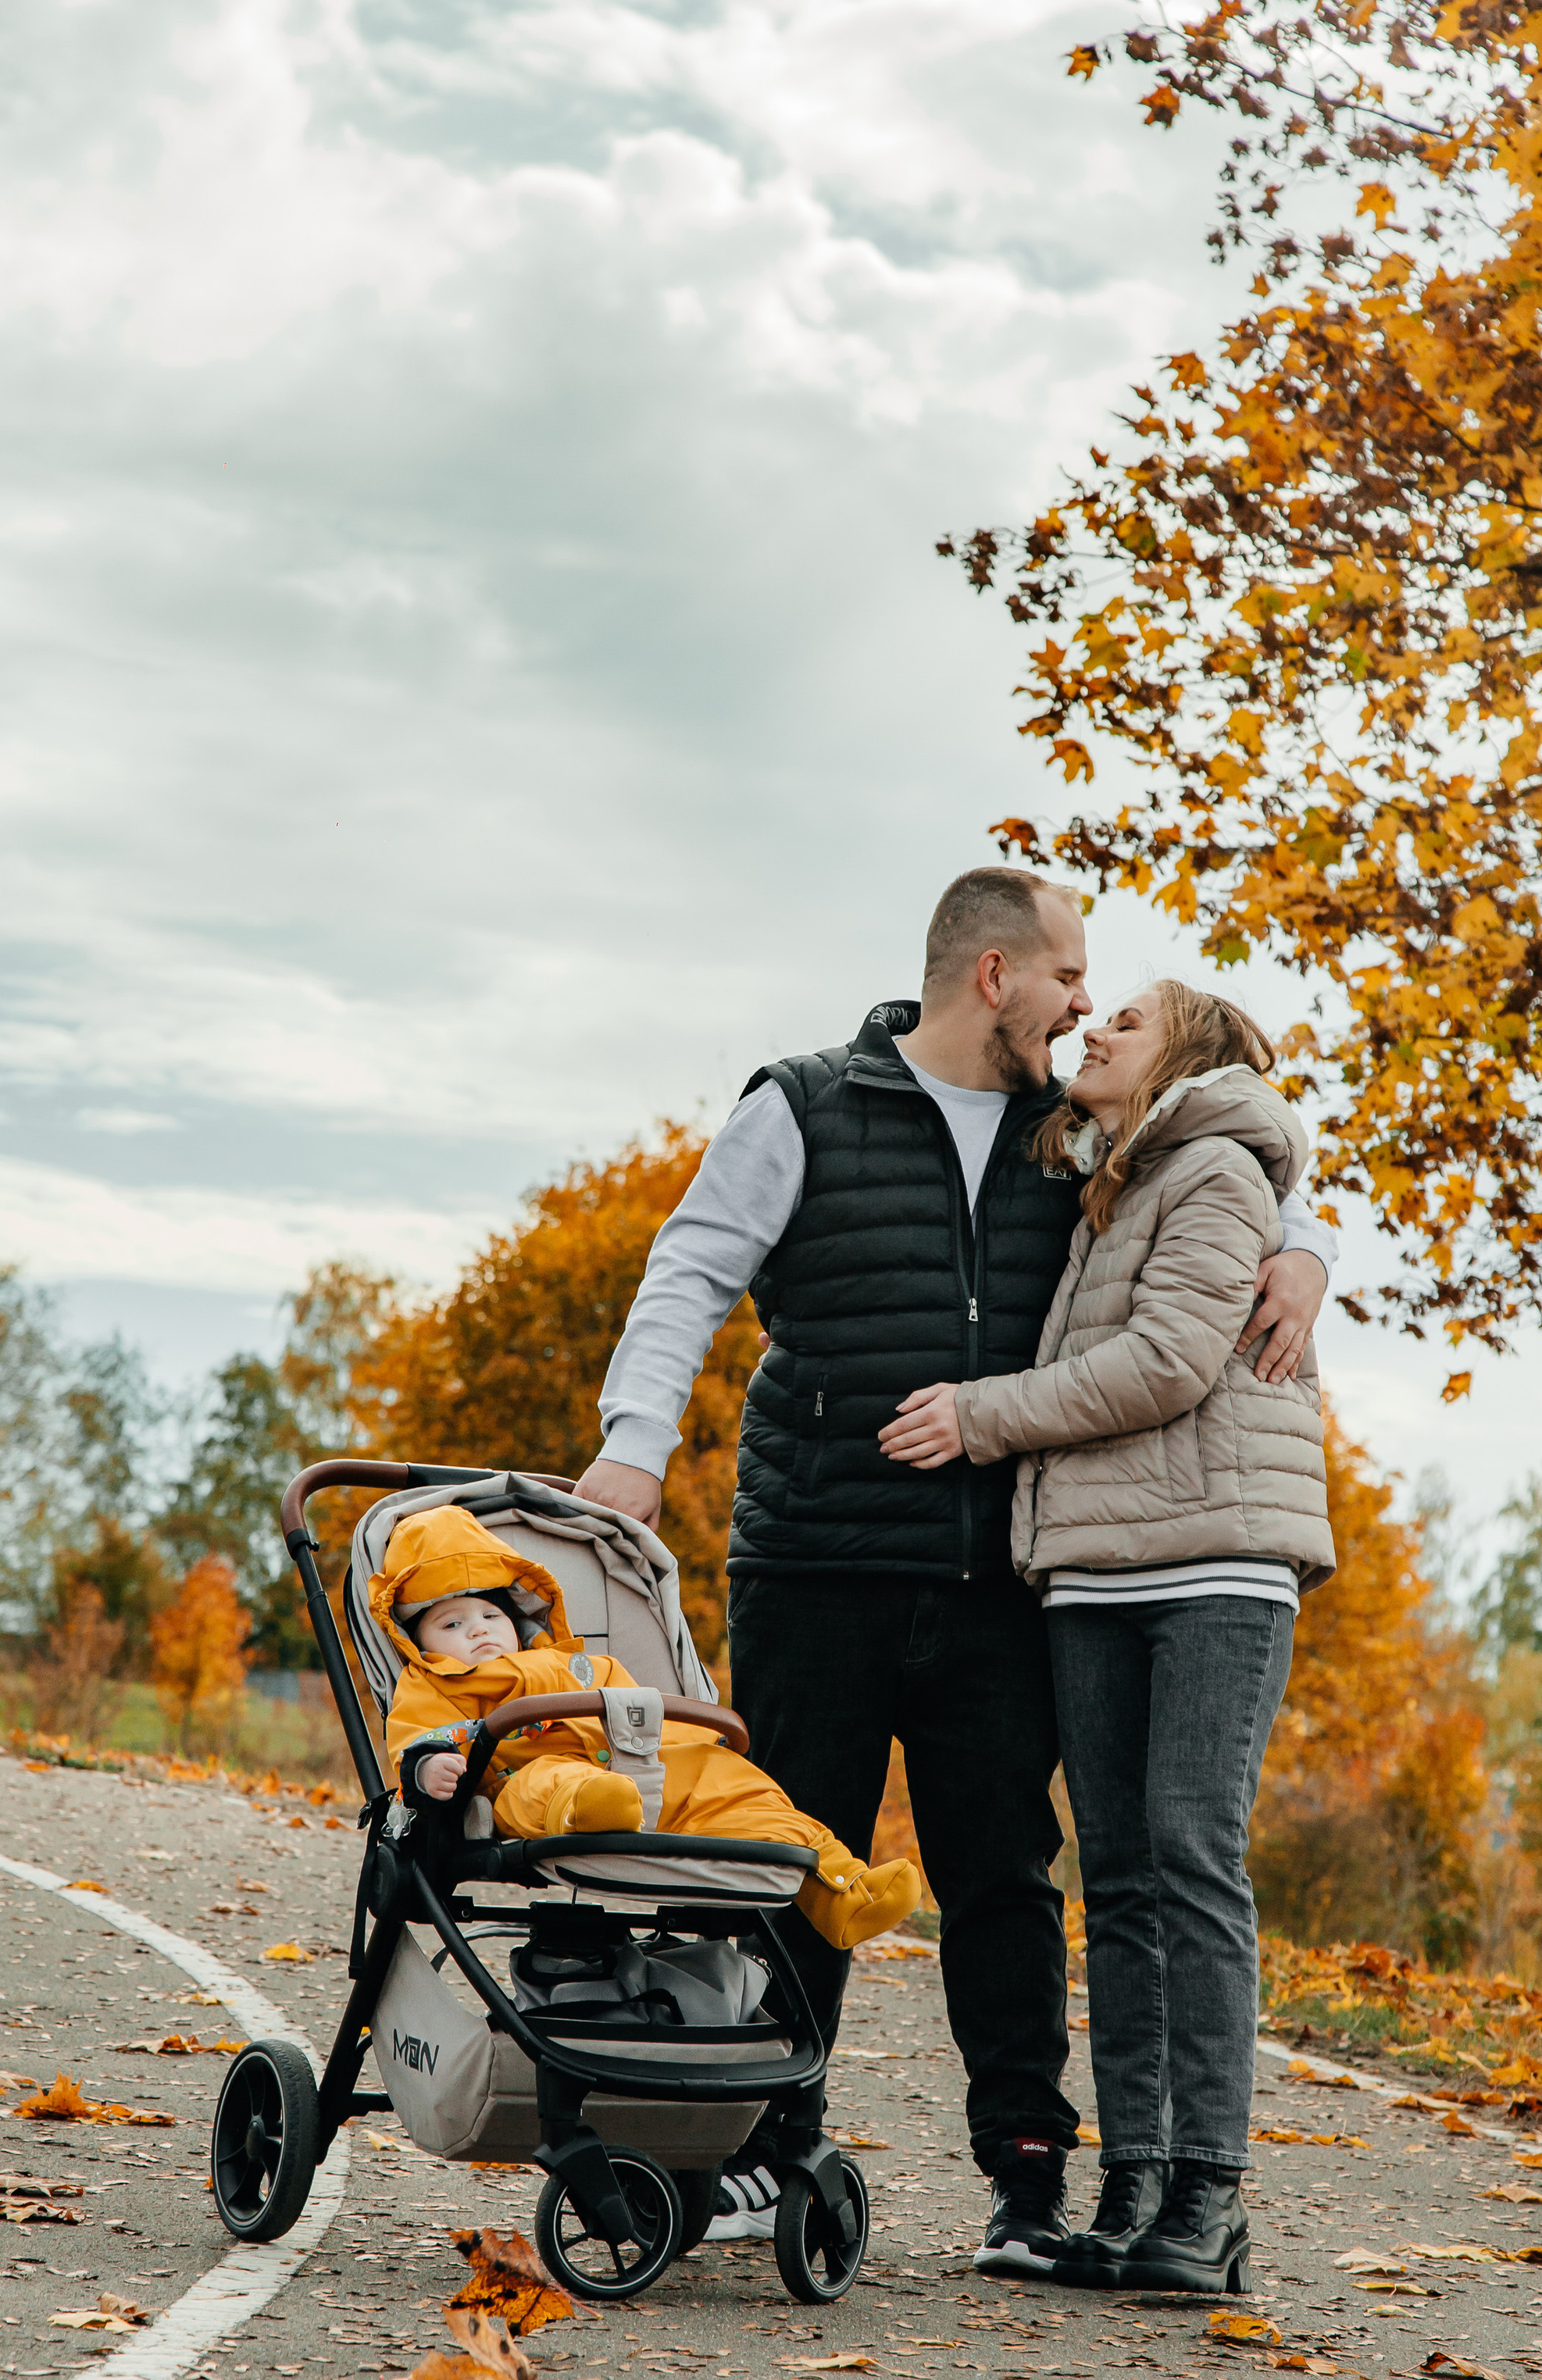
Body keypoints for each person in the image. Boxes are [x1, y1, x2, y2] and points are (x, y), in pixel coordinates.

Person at [576, 867, 1336, 2273]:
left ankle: (1028, 2184)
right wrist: (633, 1444)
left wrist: (1308, 1252)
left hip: (1006, 1575)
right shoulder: (805, 1104)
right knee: (793, 1860)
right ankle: (759, 2147)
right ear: (994, 975)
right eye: (1067, 977)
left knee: (1005, 1878)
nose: (1085, 1004)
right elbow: (689, 1269)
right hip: (818, 1551)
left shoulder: (1079, 1131)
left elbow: (1241, 1160)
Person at [880, 979, 1336, 2293]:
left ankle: (1211, 2199)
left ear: (1183, 1055)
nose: (1093, 1034)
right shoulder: (1112, 1185)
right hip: (1095, 1575)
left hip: (1215, 1565)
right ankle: (1135, 2191)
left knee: (1192, 1858)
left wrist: (984, 1415)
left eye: (1122, 1024)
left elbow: (1168, 1364)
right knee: (1120, 1879)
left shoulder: (1213, 1170)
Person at [377, 1504, 922, 1954]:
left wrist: (701, 1751)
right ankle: (591, 1809)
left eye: (490, 1616)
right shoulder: (432, 1684)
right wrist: (428, 1768)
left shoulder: (583, 1666)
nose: (477, 1631)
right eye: (452, 1623)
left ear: (518, 1621)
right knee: (546, 1784)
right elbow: (413, 1740)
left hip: (636, 1765)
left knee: (734, 1782)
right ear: (416, 1640)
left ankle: (840, 1888)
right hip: (525, 1776)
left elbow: (646, 1715)